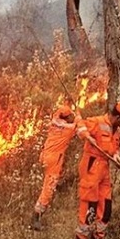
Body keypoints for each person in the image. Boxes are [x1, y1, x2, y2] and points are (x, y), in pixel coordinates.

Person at [74, 101, 120, 239]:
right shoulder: (97, 122)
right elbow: (79, 124)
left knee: (106, 207)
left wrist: (117, 155)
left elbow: (116, 147)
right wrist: (87, 135)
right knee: (90, 205)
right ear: (118, 117)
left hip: (104, 169)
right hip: (91, 166)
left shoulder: (117, 130)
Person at [31, 99, 80, 231]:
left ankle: (38, 214)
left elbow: (60, 114)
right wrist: (79, 116)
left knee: (47, 184)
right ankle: (36, 218)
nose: (72, 117)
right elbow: (78, 125)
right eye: (70, 115)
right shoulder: (68, 130)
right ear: (67, 117)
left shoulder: (54, 121)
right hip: (54, 159)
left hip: (45, 155)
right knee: (48, 188)